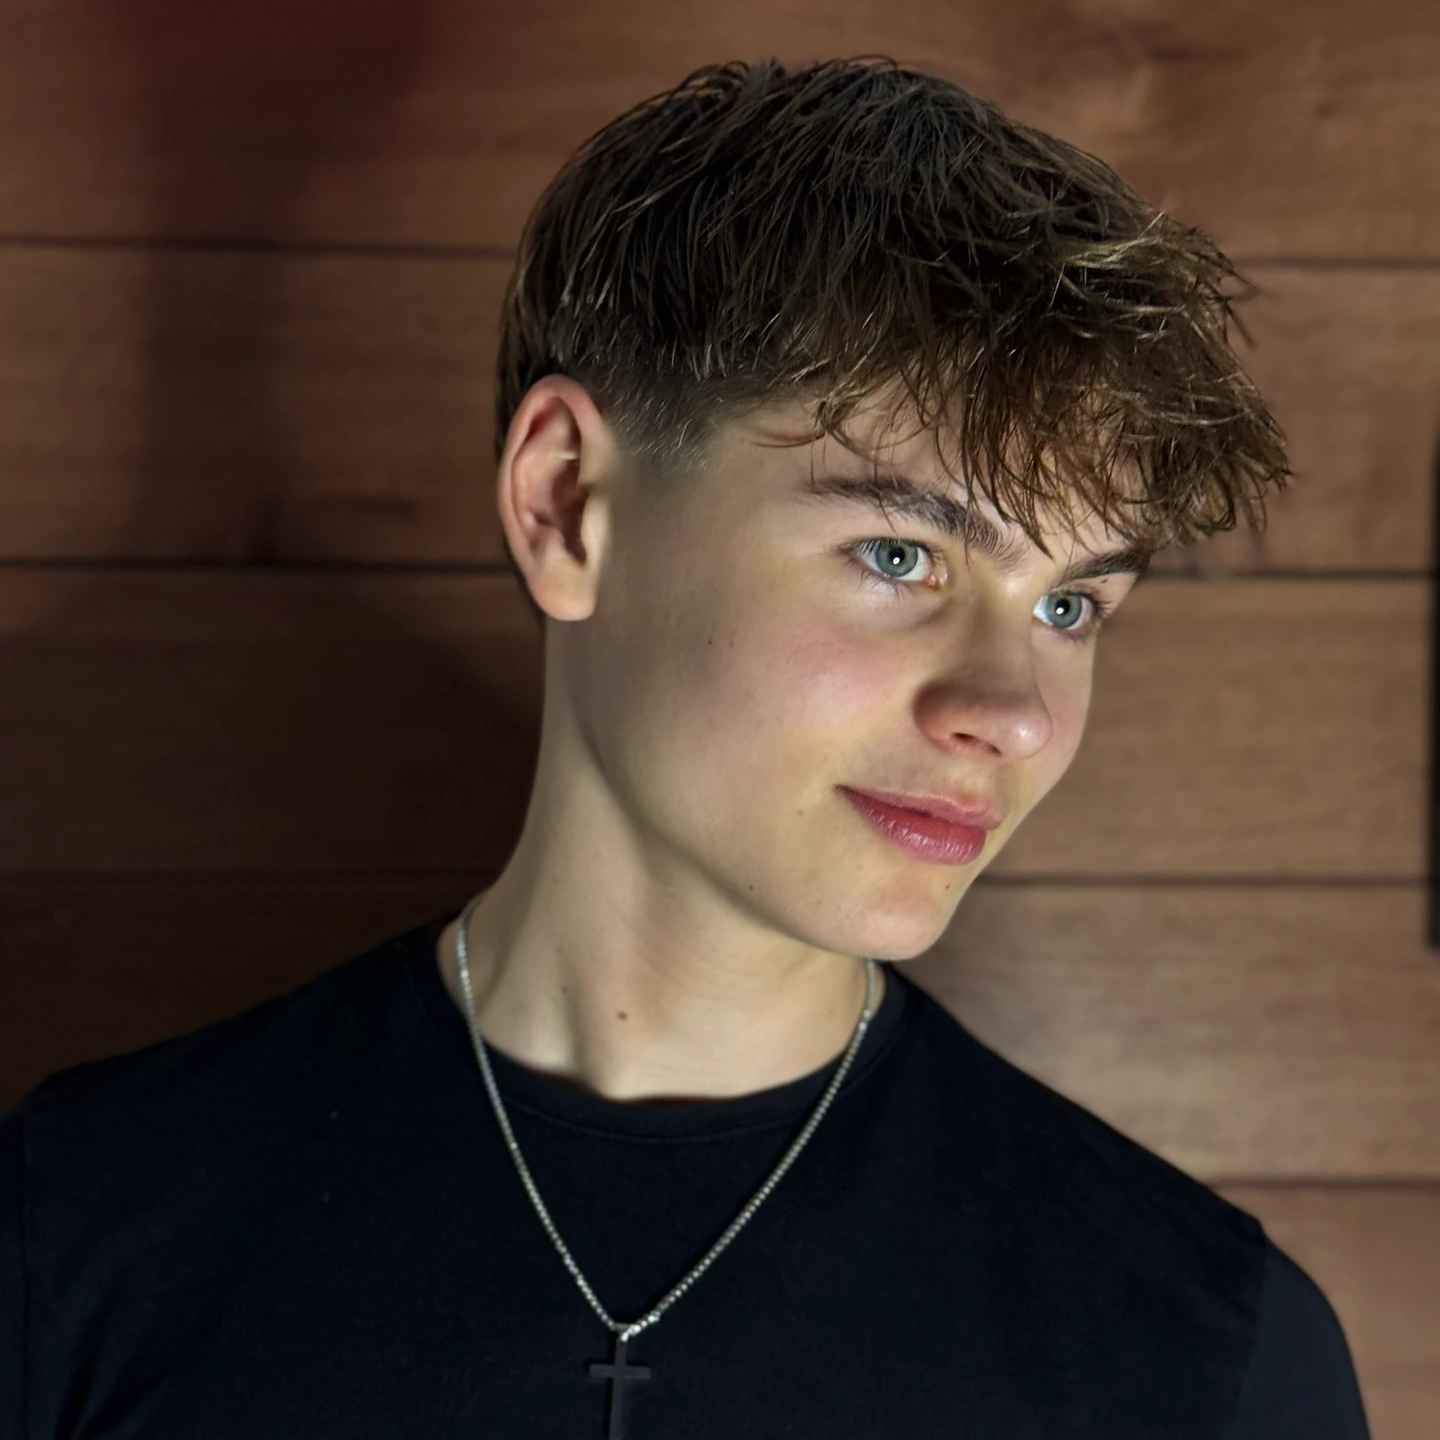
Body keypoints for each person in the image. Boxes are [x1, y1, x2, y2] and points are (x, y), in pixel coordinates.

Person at [1, 57, 1371, 1440]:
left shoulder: (1211, 1359)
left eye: (1070, 606)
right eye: (900, 554)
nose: (1013, 711)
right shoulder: (64, 1235)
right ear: (568, 505)